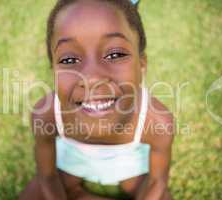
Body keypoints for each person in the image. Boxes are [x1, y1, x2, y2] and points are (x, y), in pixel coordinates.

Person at [19, 0, 174, 199]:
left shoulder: (157, 121)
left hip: (130, 167)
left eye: (115, 54)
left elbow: (157, 181)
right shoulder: (47, 114)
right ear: (53, 71)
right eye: (69, 60)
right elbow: (47, 176)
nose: (91, 78)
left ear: (141, 64)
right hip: (72, 162)